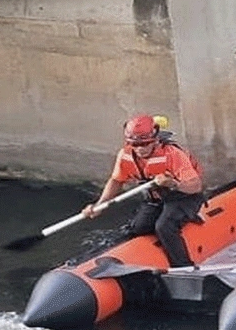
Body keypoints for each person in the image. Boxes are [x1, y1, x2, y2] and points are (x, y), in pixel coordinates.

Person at [83, 115, 206, 269]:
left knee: (164, 227)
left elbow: (195, 186)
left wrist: (173, 183)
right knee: (138, 228)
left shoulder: (172, 154)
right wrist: (100, 204)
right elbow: (116, 180)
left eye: (144, 144)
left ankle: (183, 266)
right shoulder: (125, 155)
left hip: (183, 196)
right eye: (134, 144)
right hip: (156, 198)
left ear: (155, 139)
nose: (140, 149)